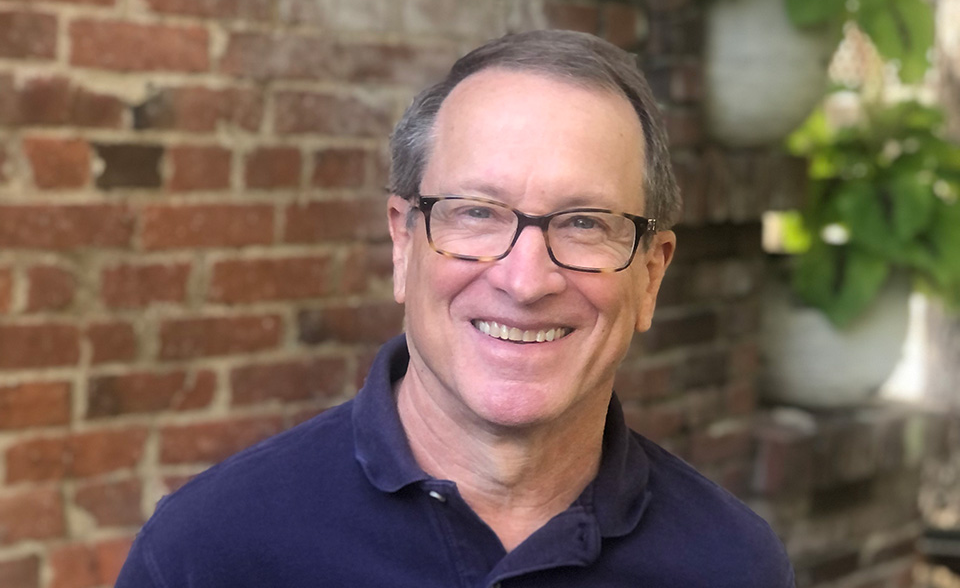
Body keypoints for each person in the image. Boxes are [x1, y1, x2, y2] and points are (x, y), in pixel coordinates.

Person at [115, 30, 795, 587]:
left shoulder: (731, 567)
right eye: (476, 213)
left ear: (650, 275)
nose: (525, 281)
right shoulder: (209, 554)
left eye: (585, 223)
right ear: (403, 243)